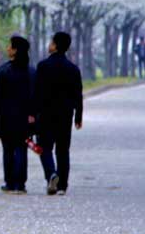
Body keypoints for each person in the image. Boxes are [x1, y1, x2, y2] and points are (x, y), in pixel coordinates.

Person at [33, 32, 83, 196]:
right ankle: (62, 185)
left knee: (45, 147)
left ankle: (51, 174)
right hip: (65, 114)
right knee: (63, 149)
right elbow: (78, 94)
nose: (49, 45)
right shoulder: (73, 69)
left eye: (51, 42)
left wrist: (33, 113)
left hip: (45, 113)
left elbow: (37, 92)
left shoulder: (42, 66)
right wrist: (78, 116)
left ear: (55, 45)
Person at [0, 35, 36, 194]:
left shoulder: (3, 71)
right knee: (22, 148)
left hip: (5, 118)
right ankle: (20, 184)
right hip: (25, 118)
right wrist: (33, 114)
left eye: (10, 46)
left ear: (15, 50)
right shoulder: (31, 72)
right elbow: (35, 96)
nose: (7, 49)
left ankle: (9, 182)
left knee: (8, 150)